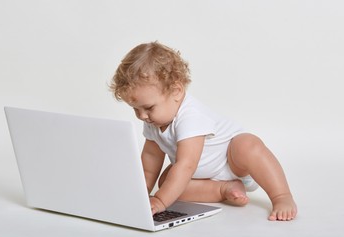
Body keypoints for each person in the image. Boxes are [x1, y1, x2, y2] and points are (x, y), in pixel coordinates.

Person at [109, 41, 297, 221]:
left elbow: (186, 165)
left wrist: (160, 200)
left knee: (247, 144)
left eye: (148, 108)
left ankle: (281, 195)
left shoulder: (190, 117)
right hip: (202, 177)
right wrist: (140, 194)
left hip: (233, 163)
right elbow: (149, 162)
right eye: (136, 109)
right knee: (166, 181)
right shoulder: (153, 120)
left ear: (176, 91)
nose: (142, 116)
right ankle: (223, 189)